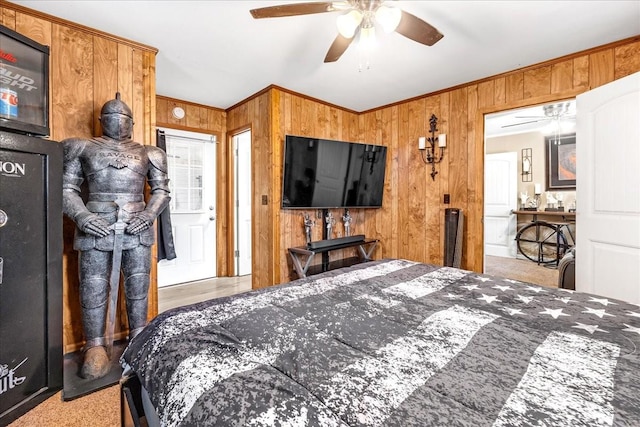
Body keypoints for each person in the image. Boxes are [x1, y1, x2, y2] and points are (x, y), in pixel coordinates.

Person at [62, 93, 170, 379]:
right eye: (112, 117)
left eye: (123, 118)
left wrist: (148, 215)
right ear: (101, 121)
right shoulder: (82, 146)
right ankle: (95, 344)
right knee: (93, 286)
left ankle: (139, 335)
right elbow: (66, 189)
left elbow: (161, 191)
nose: (118, 122)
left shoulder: (150, 152)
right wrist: (83, 216)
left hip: (137, 223)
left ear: (132, 122)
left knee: (138, 283)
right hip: (96, 222)